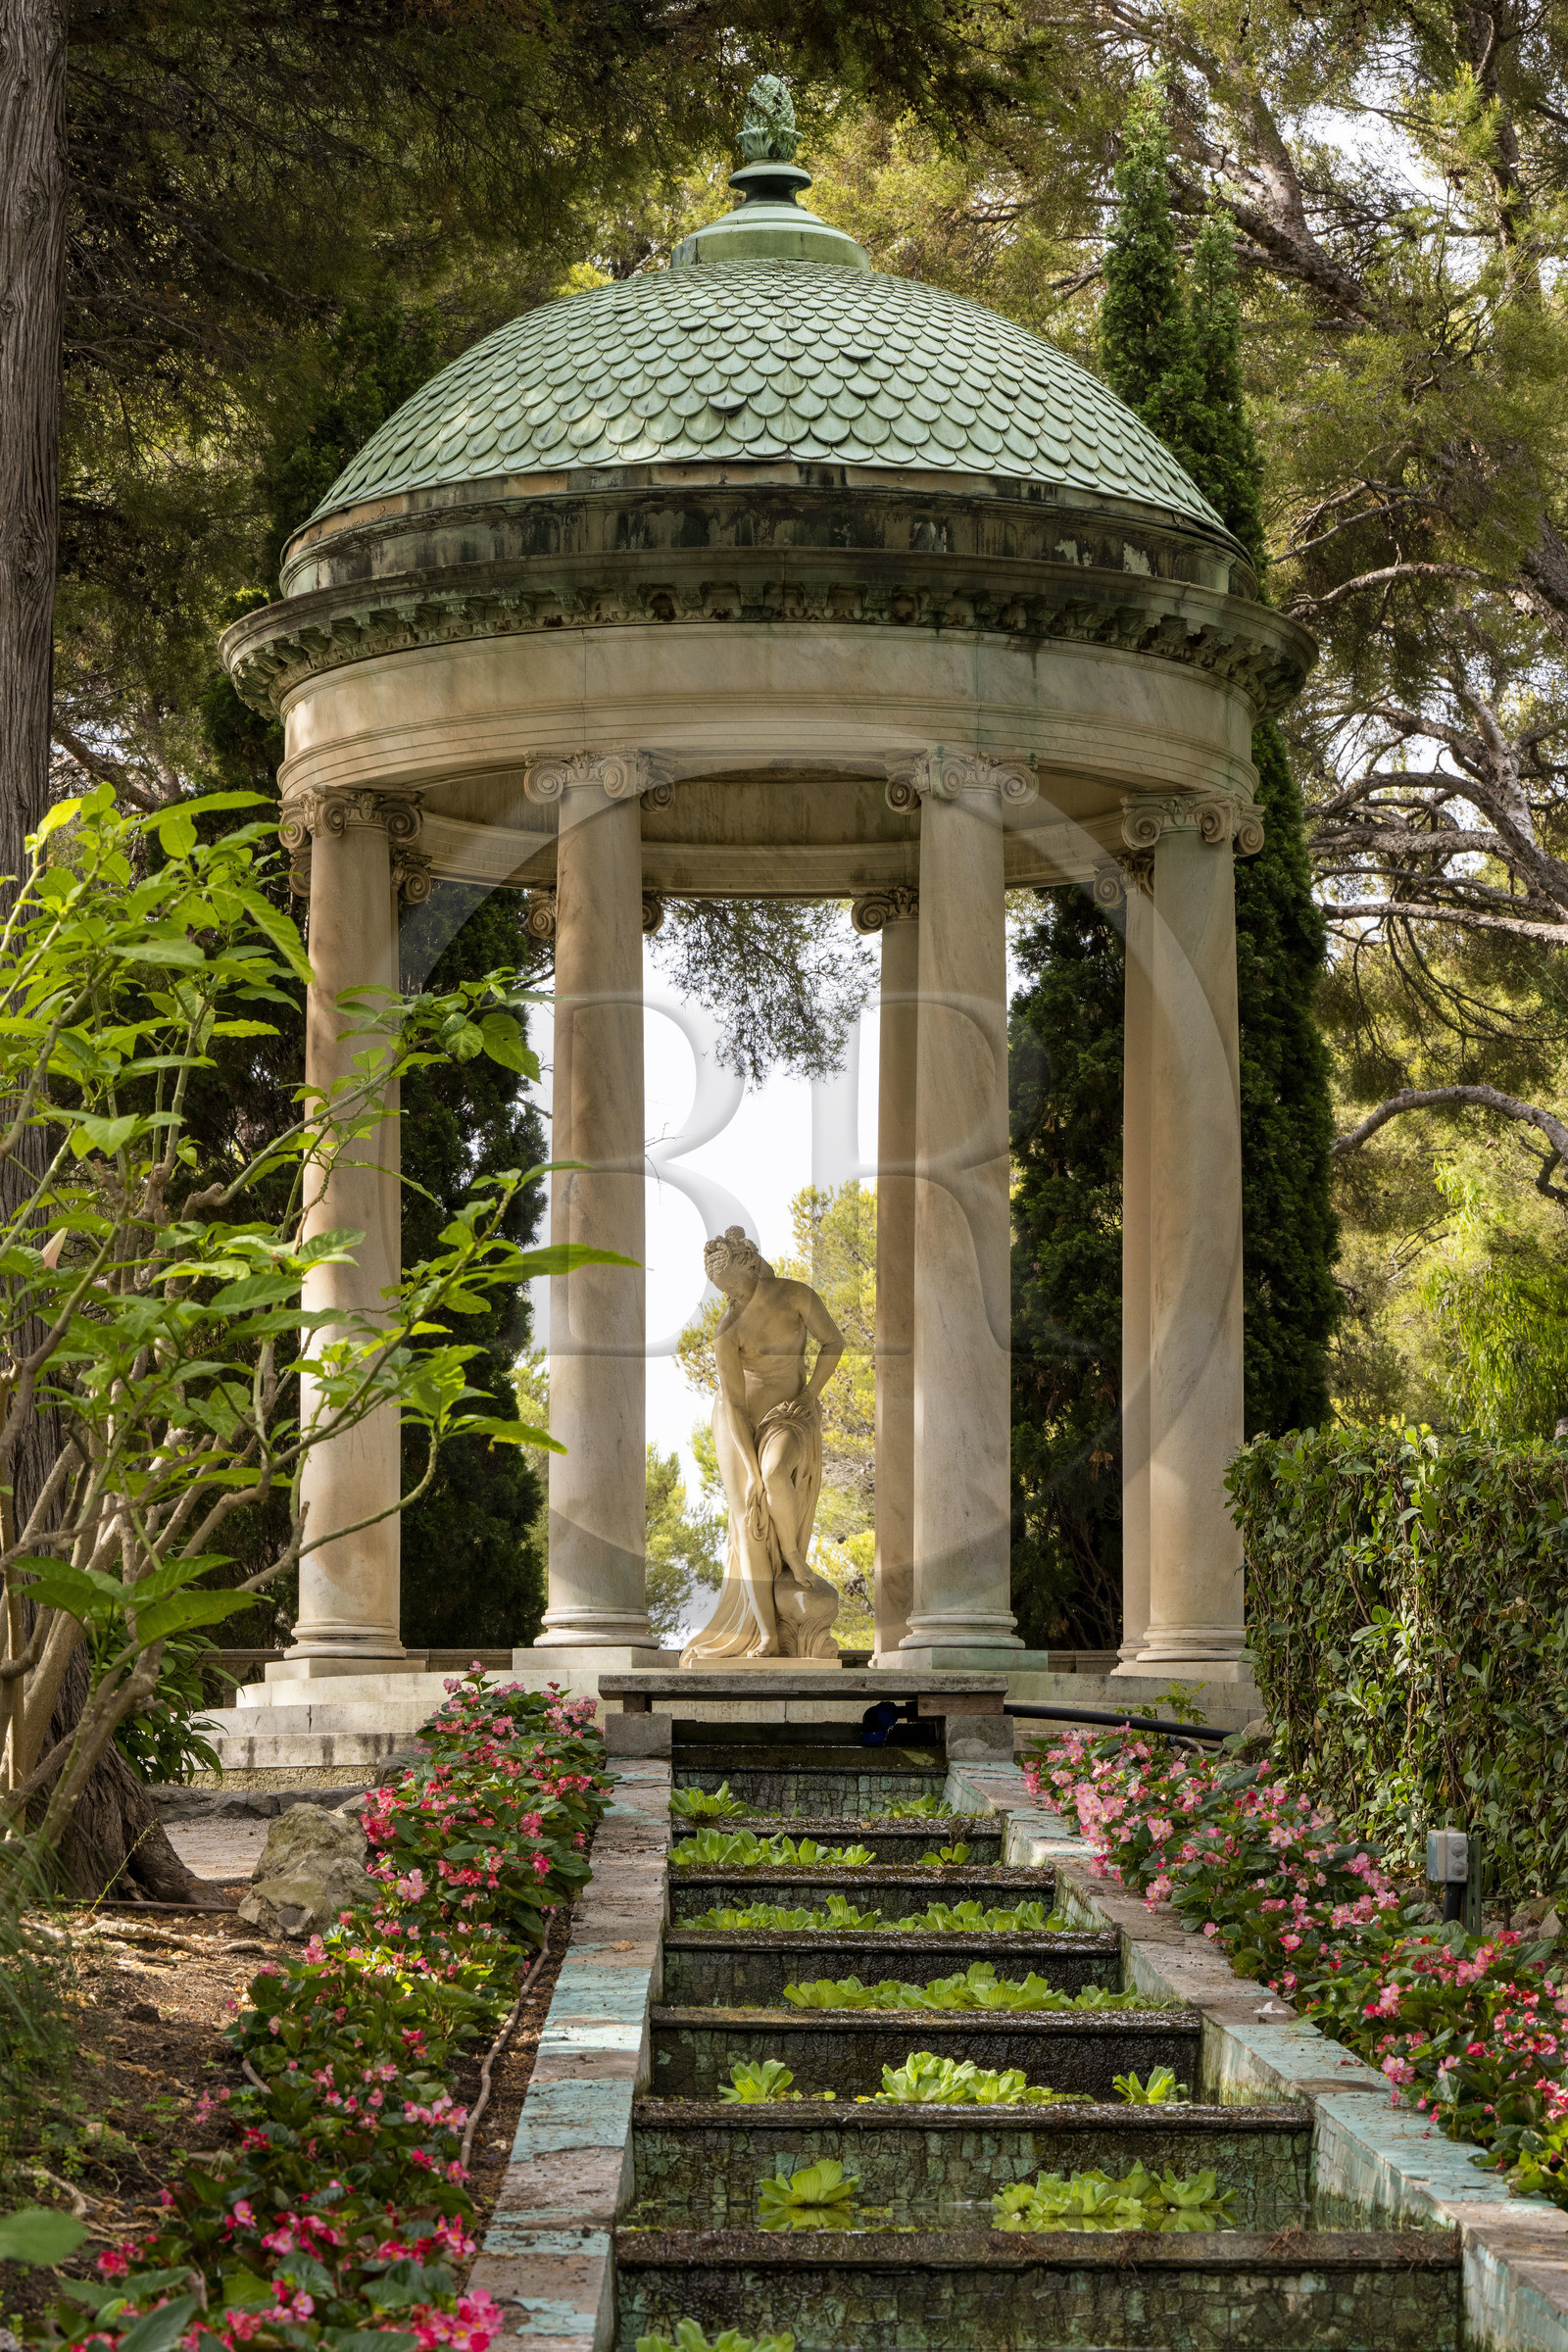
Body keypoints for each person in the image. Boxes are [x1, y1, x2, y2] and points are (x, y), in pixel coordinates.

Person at [680, 1225, 846, 1664]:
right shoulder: (727, 1329)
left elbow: (834, 1342)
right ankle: (768, 1636)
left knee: (776, 1473)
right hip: (736, 1422)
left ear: (749, 1265)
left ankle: (793, 1555)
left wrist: (810, 1395)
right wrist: (749, 1473)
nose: (728, 1297)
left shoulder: (796, 1295)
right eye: (720, 1290)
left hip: (790, 1413)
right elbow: (734, 1404)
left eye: (732, 1285)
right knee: (749, 1516)